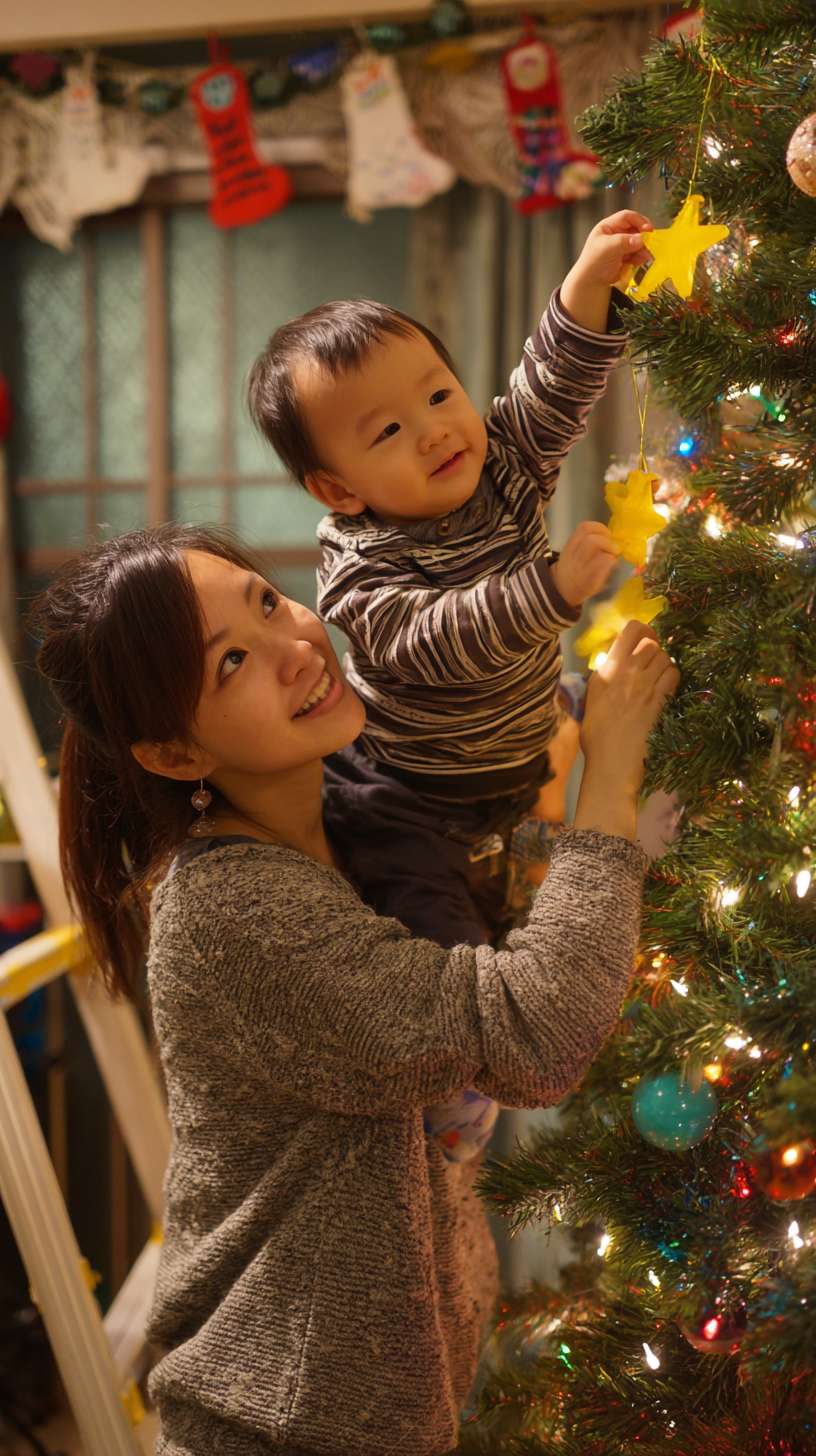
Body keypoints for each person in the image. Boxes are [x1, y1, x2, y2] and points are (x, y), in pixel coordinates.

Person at [33, 523, 677, 1456]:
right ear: (174, 755)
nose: (297, 648)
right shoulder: (237, 908)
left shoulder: (345, 809)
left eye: (265, 600)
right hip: (285, 1427)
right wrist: (612, 770)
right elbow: (536, 1033)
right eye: (232, 665)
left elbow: (485, 961)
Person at [245, 209, 655, 956]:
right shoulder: (357, 561)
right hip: (411, 797)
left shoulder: (503, 463)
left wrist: (586, 281)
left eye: (437, 397)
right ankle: (468, 1065)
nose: (434, 431)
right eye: (387, 431)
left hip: (526, 750)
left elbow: (551, 388)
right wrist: (550, 590)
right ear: (338, 490)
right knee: (449, 952)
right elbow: (432, 639)